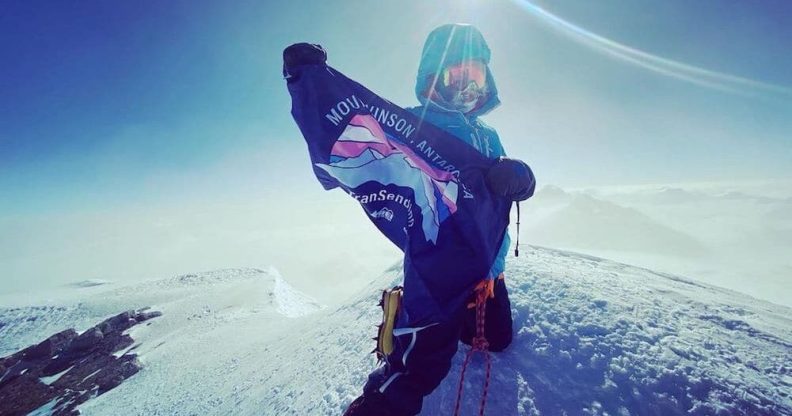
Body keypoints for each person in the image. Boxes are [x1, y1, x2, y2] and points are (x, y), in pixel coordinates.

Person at [344, 24, 535, 416]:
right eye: (457, 75)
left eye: (477, 75)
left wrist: (521, 178)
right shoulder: (412, 125)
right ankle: (378, 400)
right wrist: (311, 82)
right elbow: (364, 137)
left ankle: (458, 311)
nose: (469, 86)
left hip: (485, 264)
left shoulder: (488, 134)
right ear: (433, 78)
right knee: (422, 362)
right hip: (437, 264)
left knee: (497, 340)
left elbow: (510, 191)